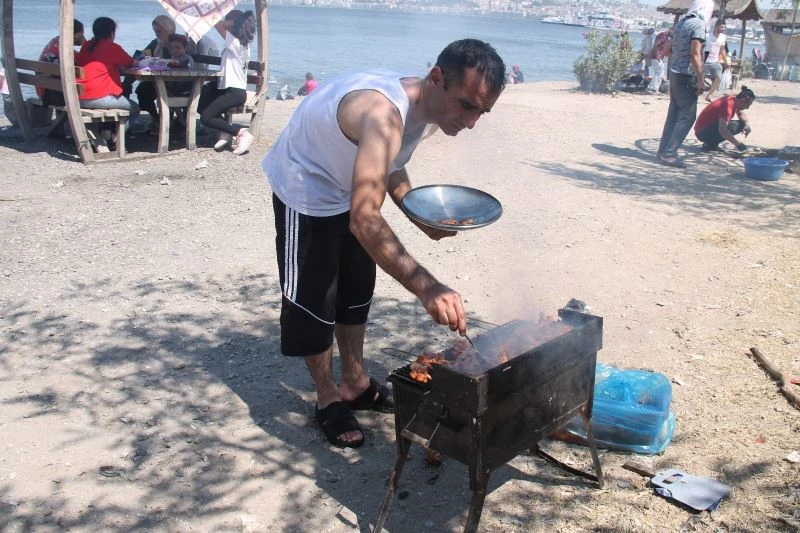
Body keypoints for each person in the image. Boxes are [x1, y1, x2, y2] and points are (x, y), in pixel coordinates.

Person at [261, 38, 506, 448]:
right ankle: (327, 398)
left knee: (356, 289)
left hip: (352, 188)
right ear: (437, 77)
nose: (471, 123)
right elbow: (365, 217)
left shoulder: (432, 109)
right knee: (315, 300)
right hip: (308, 187)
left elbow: (392, 159)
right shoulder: (383, 114)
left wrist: (414, 210)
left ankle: (355, 382)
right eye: (467, 105)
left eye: (483, 112)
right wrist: (429, 287)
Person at [75, 17, 140, 149]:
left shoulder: (86, 46)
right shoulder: (112, 47)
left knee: (117, 100)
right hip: (99, 98)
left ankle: (103, 137)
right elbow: (132, 63)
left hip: (80, 96)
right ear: (112, 33)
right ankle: (117, 138)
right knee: (135, 109)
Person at [198, 10, 256, 155]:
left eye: (229, 21)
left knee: (206, 117)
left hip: (235, 92)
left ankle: (241, 133)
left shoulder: (236, 43)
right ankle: (226, 130)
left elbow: (217, 25)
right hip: (225, 88)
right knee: (200, 103)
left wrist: (233, 22)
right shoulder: (240, 43)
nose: (226, 23)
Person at [656, 8, 707, 168]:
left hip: (675, 74)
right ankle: (669, 154)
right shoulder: (698, 25)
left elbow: (666, 50)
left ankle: (663, 151)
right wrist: (701, 80)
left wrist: (678, 58)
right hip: (687, 76)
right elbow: (694, 54)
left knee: (674, 114)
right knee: (687, 116)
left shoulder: (680, 24)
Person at [135, 15, 177, 134]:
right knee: (142, 91)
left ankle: (167, 120)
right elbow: (142, 55)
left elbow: (183, 60)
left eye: (159, 31)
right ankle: (157, 118)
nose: (157, 34)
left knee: (152, 90)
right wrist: (142, 58)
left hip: (177, 81)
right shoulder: (155, 43)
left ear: (168, 28)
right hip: (158, 80)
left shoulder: (177, 43)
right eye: (155, 31)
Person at [38, 19, 87, 106]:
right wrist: (86, 44)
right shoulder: (65, 49)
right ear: (74, 34)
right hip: (55, 96)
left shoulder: (55, 42)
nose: (83, 35)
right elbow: (84, 60)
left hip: (45, 92)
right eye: (82, 33)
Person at [694, 85, 754, 152]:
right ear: (742, 101)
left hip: (704, 130)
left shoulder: (732, 99)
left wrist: (747, 124)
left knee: (742, 124)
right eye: (748, 105)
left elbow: (740, 113)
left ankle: (711, 144)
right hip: (702, 133)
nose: (747, 108)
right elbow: (723, 130)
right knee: (735, 126)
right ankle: (709, 144)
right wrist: (739, 145)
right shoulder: (727, 106)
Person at [703, 19, 727, 102]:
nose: (723, 29)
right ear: (716, 26)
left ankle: (709, 95)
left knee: (719, 78)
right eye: (721, 27)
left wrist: (726, 61)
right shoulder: (707, 35)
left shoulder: (723, 37)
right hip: (705, 61)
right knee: (700, 78)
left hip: (715, 61)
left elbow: (722, 50)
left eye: (724, 27)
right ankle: (696, 93)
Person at [647, 28, 672, 94]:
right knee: (659, 72)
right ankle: (651, 88)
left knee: (660, 73)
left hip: (659, 57)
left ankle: (655, 89)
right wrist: (657, 55)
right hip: (656, 57)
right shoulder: (662, 36)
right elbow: (656, 45)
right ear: (670, 30)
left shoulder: (666, 37)